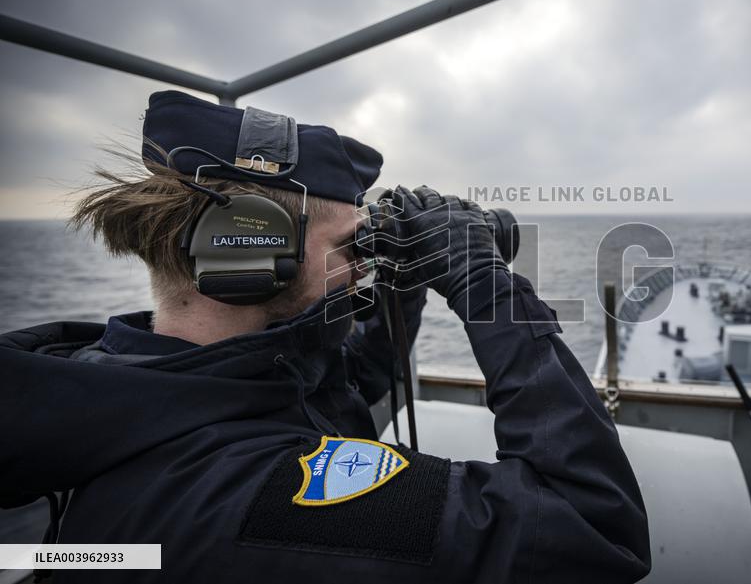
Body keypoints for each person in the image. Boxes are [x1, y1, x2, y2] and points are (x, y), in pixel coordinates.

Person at [0, 90, 651, 583]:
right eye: (349, 246)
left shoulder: (140, 378)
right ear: (247, 254)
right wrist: (479, 277)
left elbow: (338, 391)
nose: (362, 263)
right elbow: (593, 525)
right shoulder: (253, 494)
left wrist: (404, 279)